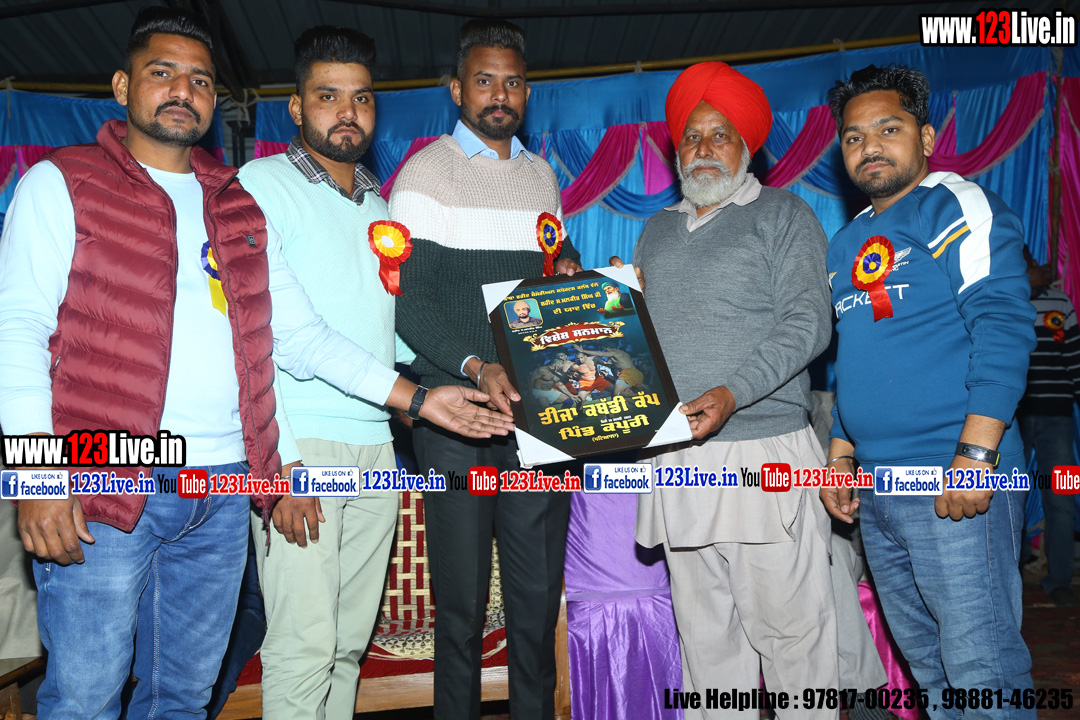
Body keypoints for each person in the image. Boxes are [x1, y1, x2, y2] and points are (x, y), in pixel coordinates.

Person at [0, 9, 511, 718]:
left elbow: (299, 336)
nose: (182, 90)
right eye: (162, 73)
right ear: (122, 86)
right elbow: (18, 331)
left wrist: (422, 398)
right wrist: (34, 475)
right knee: (87, 697)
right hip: (106, 476)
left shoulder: (232, 202)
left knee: (184, 698)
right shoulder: (65, 181)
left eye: (199, 80)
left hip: (222, 482)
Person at [822, 64, 1036, 717]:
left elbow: (1002, 326)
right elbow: (855, 355)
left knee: (983, 671)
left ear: (927, 136)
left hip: (955, 480)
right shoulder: (845, 244)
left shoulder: (955, 205)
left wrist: (975, 456)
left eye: (888, 129)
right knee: (933, 677)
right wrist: (841, 453)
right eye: (854, 137)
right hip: (880, 492)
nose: (869, 146)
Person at [627, 61, 839, 719]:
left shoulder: (783, 214)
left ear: (747, 146)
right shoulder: (656, 230)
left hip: (764, 452)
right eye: (691, 136)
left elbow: (809, 322)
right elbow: (640, 346)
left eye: (720, 134)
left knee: (794, 643)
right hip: (678, 457)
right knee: (707, 648)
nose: (703, 148)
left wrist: (733, 392)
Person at [389, 17, 583, 720]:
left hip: (537, 421)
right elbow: (408, 302)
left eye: (513, 82)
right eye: (484, 81)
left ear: (527, 91)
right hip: (458, 420)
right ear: (456, 89)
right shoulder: (424, 173)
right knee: (462, 611)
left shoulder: (541, 176)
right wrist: (475, 365)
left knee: (534, 607)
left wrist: (571, 272)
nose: (500, 94)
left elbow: (547, 281)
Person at [235, 26, 420, 718]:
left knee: (346, 647)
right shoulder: (260, 186)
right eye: (327, 96)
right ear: (295, 106)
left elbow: (386, 335)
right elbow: (282, 339)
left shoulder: (380, 207)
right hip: (303, 446)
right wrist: (280, 465)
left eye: (361, 98)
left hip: (378, 450)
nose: (348, 112)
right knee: (303, 645)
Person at [1018, 247, 1079, 606]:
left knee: (1062, 497)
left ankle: (1059, 579)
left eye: (1032, 261)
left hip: (1058, 418)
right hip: (1011, 419)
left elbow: (1075, 357)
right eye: (1025, 263)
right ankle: (1011, 571)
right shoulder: (1006, 301)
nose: (1036, 266)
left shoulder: (1060, 302)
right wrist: (1023, 287)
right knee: (1008, 495)